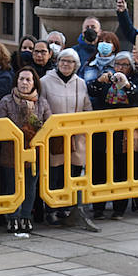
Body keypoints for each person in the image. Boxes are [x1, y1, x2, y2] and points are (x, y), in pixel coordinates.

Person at [38, 48, 98, 231]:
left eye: (70, 62)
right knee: (53, 174)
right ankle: (51, 209)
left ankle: (66, 208)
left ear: (76, 65)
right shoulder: (45, 82)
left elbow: (87, 107)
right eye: (63, 60)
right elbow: (42, 106)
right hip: (54, 137)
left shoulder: (80, 83)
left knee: (71, 173)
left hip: (75, 136)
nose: (66, 64)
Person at [87, 51, 138, 220]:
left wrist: (127, 85)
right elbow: (91, 90)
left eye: (124, 65)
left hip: (125, 132)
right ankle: (98, 206)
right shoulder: (107, 79)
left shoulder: (135, 80)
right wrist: (100, 81)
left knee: (123, 168)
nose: (120, 68)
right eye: (117, 64)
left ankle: (119, 208)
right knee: (99, 168)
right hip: (102, 131)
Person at [0, 65, 51, 236]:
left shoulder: (42, 102)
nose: (24, 82)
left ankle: (25, 216)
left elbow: (48, 124)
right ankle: (13, 217)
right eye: (21, 79)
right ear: (16, 81)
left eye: (28, 79)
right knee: (12, 185)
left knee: (30, 186)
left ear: (34, 83)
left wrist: (33, 122)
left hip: (33, 151)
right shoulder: (6, 101)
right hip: (11, 152)